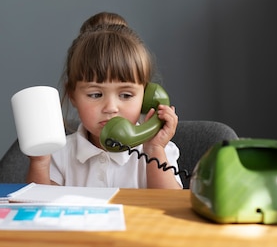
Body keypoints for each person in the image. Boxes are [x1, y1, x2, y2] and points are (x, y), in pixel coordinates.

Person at [26, 14, 182, 189]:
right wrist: (40, 162)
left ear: (145, 97)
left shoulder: (160, 151)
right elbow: (38, 208)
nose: (111, 108)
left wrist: (154, 150)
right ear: (73, 95)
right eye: (95, 95)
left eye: (126, 95)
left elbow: (171, 207)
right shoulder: (59, 154)